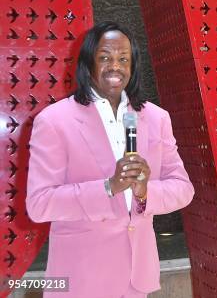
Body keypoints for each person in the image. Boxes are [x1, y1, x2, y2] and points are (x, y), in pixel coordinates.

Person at [26, 21, 195, 298]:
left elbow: (183, 189)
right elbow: (39, 204)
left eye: (123, 59)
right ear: (88, 63)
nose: (115, 66)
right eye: (104, 57)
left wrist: (144, 191)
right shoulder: (54, 120)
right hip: (81, 279)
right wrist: (109, 187)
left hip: (137, 279)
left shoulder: (156, 118)